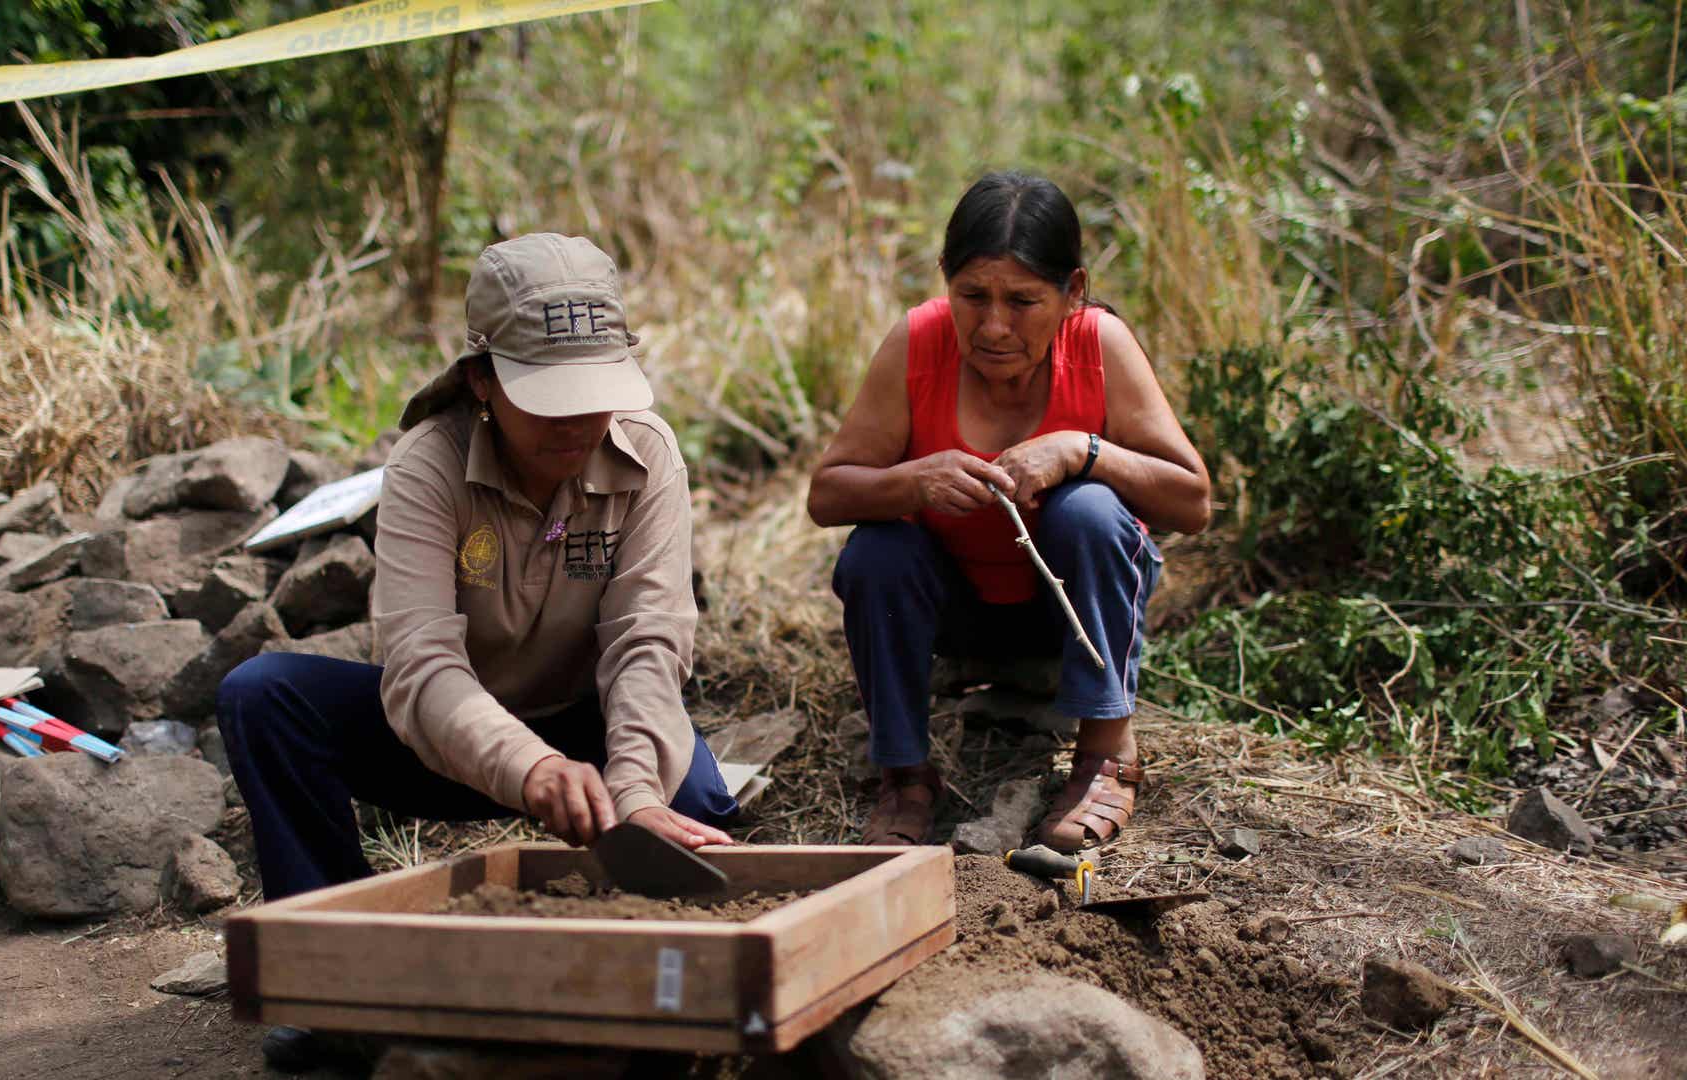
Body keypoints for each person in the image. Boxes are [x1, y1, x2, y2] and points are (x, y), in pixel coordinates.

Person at [219, 233, 739, 1071]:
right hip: (450, 742)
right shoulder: (426, 468)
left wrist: (633, 787)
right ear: (481, 379)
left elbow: (648, 639)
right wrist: (528, 770)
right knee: (261, 695)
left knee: (697, 810)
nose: (577, 418)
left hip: (586, 736)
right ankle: (326, 976)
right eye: (549, 395)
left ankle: (623, 980)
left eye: (594, 392)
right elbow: (421, 667)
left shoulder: (649, 456)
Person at [807, 171, 1211, 852]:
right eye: (972, 296)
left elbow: (1193, 501)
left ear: (1072, 293)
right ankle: (904, 774)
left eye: (1023, 301)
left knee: (1089, 510)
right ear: (944, 279)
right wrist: (914, 480)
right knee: (877, 550)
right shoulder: (917, 343)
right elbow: (827, 495)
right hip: (960, 618)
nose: (993, 326)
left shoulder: (1100, 344)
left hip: (1069, 620)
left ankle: (1104, 757)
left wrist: (1083, 450)